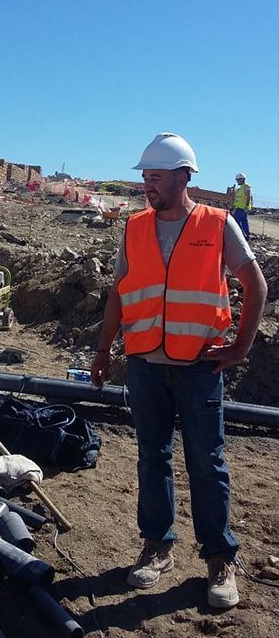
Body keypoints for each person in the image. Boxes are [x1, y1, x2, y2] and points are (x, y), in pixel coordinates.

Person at [91, 133, 267, 609]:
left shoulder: (218, 223)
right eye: (145, 176)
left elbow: (255, 284)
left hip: (198, 367)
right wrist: (104, 350)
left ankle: (219, 559)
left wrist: (241, 346)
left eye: (157, 176)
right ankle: (156, 547)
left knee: (207, 464)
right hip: (146, 364)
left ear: (184, 176)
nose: (148, 185)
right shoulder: (133, 228)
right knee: (152, 457)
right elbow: (118, 294)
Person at [229, 173, 253, 242]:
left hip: (242, 208)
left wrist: (246, 206)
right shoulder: (239, 189)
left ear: (242, 179)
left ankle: (242, 235)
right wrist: (233, 207)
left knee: (236, 222)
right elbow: (236, 199)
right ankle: (246, 236)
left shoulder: (246, 186)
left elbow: (248, 196)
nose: (237, 181)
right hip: (239, 208)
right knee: (244, 222)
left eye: (238, 180)